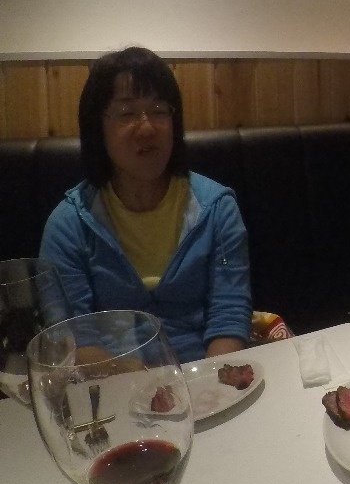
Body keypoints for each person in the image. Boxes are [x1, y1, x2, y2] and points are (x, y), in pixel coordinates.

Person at [40, 47, 251, 363]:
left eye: (159, 110)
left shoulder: (217, 209)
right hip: (109, 385)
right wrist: (151, 386)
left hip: (205, 374)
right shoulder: (69, 225)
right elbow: (71, 339)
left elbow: (229, 315)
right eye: (127, 113)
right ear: (97, 127)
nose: (148, 127)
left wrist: (211, 382)